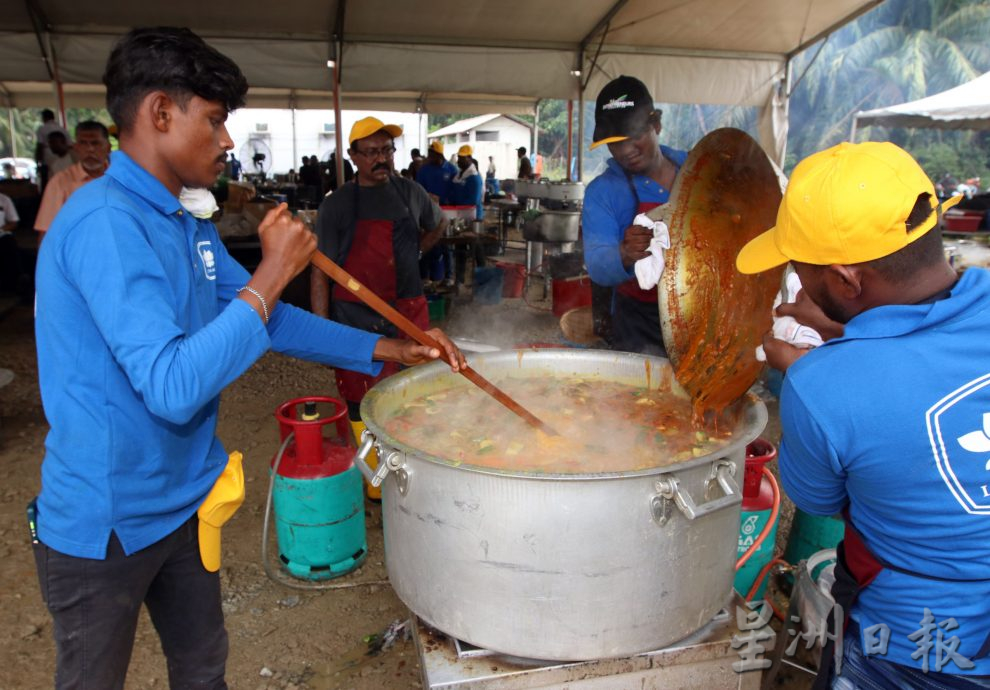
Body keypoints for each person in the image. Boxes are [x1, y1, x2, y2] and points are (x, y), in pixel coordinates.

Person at [32, 27, 464, 690]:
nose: (229, 141)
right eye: (215, 121)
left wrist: (386, 345)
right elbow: (173, 384)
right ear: (160, 114)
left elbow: (269, 321)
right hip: (107, 524)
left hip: (184, 504)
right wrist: (270, 274)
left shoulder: (184, 220)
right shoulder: (105, 223)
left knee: (204, 670)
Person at [736, 141, 990, 688]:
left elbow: (826, 501)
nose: (798, 284)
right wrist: (843, 331)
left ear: (848, 279)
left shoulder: (820, 387)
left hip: (910, 652)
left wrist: (814, 366)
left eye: (802, 270)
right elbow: (926, 363)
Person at [310, 117, 448, 499]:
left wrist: (419, 250)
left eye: (386, 151)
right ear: (353, 157)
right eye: (371, 152)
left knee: (414, 391)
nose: (381, 159)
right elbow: (320, 269)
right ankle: (375, 483)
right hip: (355, 314)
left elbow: (440, 224)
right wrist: (322, 330)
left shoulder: (411, 192)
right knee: (360, 396)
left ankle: (414, 473)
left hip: (407, 308)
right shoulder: (336, 205)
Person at [581, 75, 687, 356]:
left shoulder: (696, 170)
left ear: (656, 125)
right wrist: (626, 252)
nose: (626, 150)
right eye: (615, 143)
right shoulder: (602, 191)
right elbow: (597, 264)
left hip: (699, 316)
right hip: (637, 324)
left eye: (634, 136)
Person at [34, 120, 112, 244]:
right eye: (83, 143)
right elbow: (46, 232)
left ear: (108, 147)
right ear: (76, 147)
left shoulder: (121, 179)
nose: (90, 149)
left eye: (95, 143)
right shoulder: (60, 182)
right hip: (78, 254)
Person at [416, 140, 458, 285]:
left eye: (431, 154)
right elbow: (418, 190)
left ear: (438, 154)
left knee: (447, 246)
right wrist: (428, 196)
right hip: (427, 212)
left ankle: (449, 276)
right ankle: (425, 277)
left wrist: (445, 199)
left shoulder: (451, 170)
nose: (429, 156)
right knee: (427, 243)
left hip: (446, 213)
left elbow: (455, 191)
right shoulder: (424, 170)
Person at [35, 108, 71, 191]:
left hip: (48, 156)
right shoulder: (62, 129)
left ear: (44, 118)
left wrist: (38, 161)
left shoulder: (42, 129)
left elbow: (39, 145)